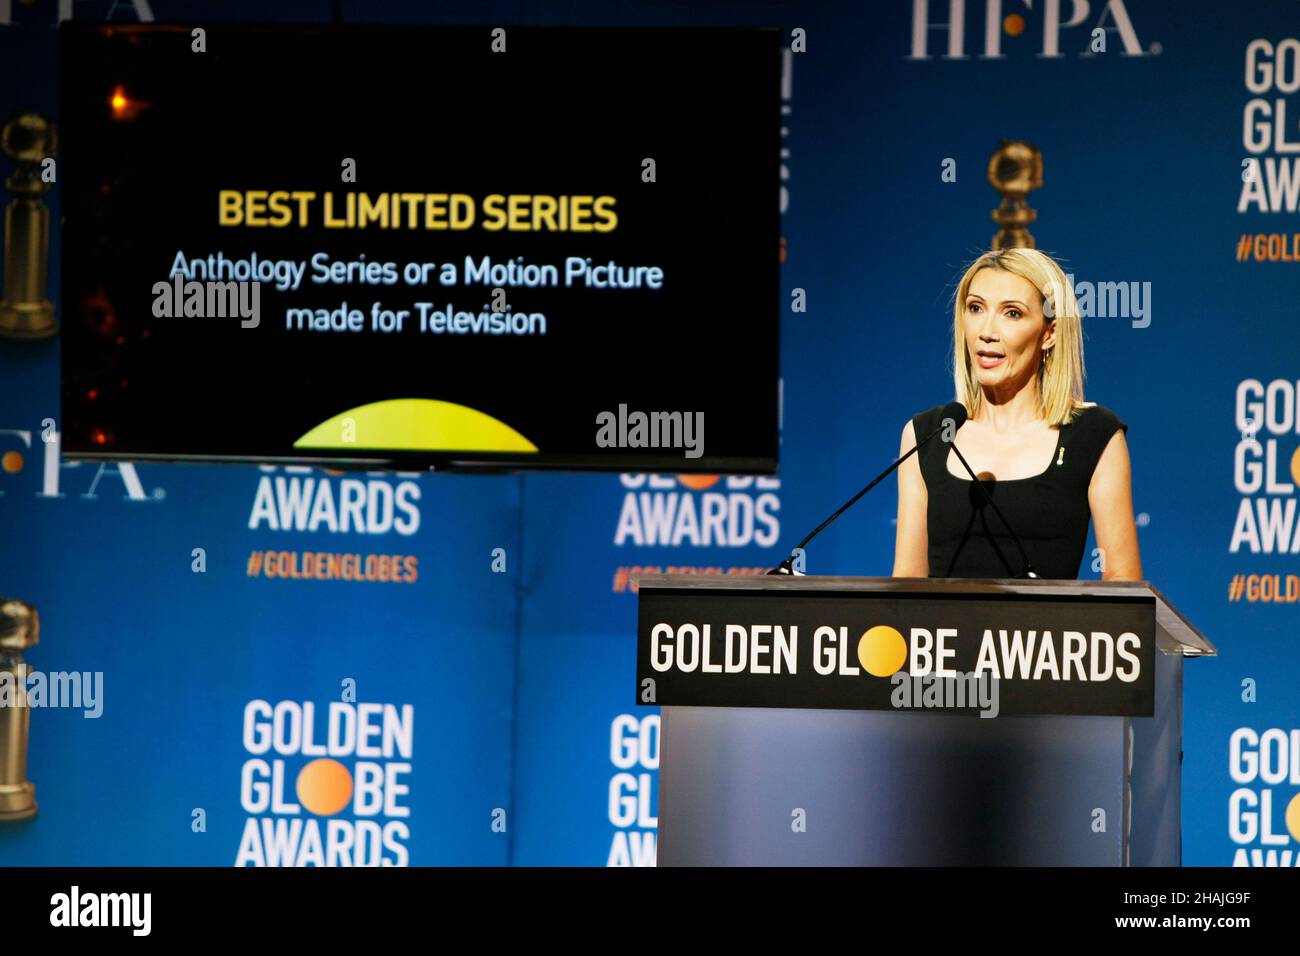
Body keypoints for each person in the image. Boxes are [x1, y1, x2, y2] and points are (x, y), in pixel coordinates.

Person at [892, 248, 1141, 580]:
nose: (987, 331)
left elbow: (1124, 594)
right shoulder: (929, 435)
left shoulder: (1094, 437)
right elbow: (906, 589)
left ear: (1049, 333)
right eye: (975, 308)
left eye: (1012, 313)